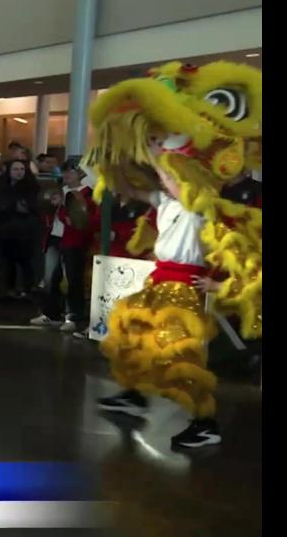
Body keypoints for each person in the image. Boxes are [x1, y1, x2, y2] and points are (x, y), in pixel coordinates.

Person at [86, 60, 264, 449]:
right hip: (159, 279)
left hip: (184, 285)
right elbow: (133, 191)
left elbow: (178, 186)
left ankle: (205, 422)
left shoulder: (201, 200)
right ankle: (133, 396)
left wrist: (155, 152)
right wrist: (114, 164)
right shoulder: (167, 199)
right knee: (133, 337)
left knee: (180, 357)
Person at [30, 158, 97, 332]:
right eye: (65, 171)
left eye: (71, 171)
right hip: (54, 237)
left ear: (81, 173)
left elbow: (83, 220)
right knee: (50, 278)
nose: (66, 174)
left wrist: (62, 208)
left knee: (73, 279)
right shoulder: (60, 190)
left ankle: (73, 316)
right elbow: (47, 213)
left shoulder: (87, 193)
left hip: (74, 241)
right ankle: (51, 314)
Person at [0, 158, 42, 298]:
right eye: (15, 169)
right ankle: (10, 288)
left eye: (22, 169)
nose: (19, 172)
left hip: (26, 230)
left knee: (26, 261)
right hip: (6, 230)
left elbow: (32, 207)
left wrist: (16, 207)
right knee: (8, 261)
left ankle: (27, 288)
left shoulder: (32, 187)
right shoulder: (2, 187)